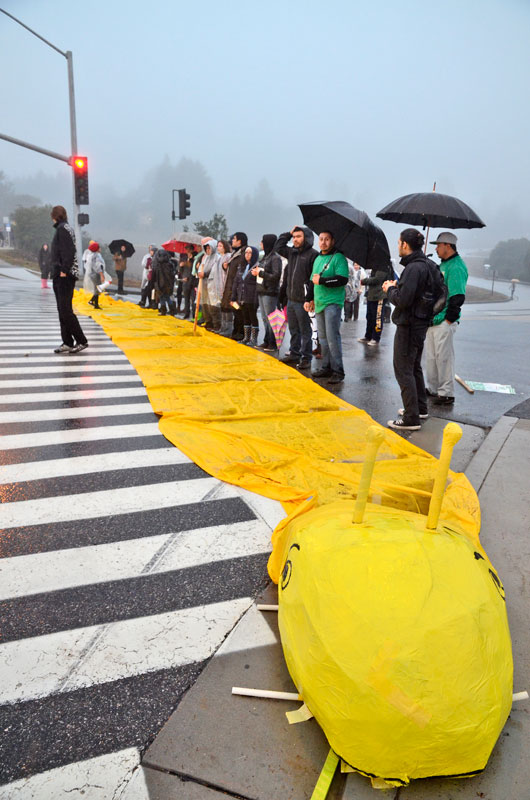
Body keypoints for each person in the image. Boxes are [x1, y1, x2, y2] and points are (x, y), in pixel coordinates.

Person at [383, 228, 432, 431]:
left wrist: (390, 289)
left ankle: (411, 418)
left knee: (403, 369)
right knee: (414, 368)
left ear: (405, 245)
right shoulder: (427, 265)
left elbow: (403, 300)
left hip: (409, 324)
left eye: (399, 243)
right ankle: (419, 408)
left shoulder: (413, 268)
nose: (398, 246)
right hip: (420, 323)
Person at [424, 232, 468, 406]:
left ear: (448, 246)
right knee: (431, 357)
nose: (436, 248)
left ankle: (446, 392)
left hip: (444, 320)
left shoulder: (456, 266)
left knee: (443, 357)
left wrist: (449, 319)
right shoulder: (443, 264)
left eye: (439, 245)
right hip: (434, 318)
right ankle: (433, 388)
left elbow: (458, 296)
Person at [306, 231, 349, 384]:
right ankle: (326, 367)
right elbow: (312, 281)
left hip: (333, 303)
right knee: (322, 338)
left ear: (333, 241)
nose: (323, 242)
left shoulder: (339, 258)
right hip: (319, 303)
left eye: (327, 239)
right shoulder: (318, 258)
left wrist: (323, 280)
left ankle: (338, 371)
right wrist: (308, 299)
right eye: (321, 239)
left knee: (332, 338)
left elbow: (342, 279)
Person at [275, 226, 318, 369]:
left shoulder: (313, 255)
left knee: (305, 331)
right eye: (294, 237)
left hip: (303, 300)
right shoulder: (291, 253)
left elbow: (313, 280)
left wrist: (310, 299)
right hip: (291, 299)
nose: (295, 239)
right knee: (293, 329)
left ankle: (306, 357)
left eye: (298, 236)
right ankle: (294, 353)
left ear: (306, 238)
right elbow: (278, 246)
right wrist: (288, 233)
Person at [50, 205, 88, 354]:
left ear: (54, 216)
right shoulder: (65, 227)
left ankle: (81, 340)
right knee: (62, 310)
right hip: (60, 274)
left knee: (65, 310)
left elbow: (69, 251)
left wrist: (64, 270)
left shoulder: (62, 229)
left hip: (64, 276)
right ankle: (67, 342)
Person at [253, 234, 282, 351]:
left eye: (263, 241)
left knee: (270, 319)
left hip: (270, 292)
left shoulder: (275, 258)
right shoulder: (265, 257)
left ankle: (272, 343)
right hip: (262, 290)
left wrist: (260, 274)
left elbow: (276, 275)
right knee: (265, 318)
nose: (261, 243)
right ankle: (266, 340)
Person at [221, 232, 248, 339]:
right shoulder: (235, 254)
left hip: (238, 288)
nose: (232, 241)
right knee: (234, 310)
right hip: (231, 285)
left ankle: (240, 333)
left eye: (234, 239)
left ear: (239, 241)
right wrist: (225, 267)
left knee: (239, 311)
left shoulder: (243, 253)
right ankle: (235, 331)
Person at [232, 246, 260, 345]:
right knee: (245, 317)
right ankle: (246, 337)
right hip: (242, 296)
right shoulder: (241, 267)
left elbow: (258, 284)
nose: (247, 254)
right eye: (246, 252)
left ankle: (254, 339)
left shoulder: (257, 267)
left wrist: (256, 299)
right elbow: (236, 282)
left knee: (253, 317)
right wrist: (233, 297)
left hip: (252, 297)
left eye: (250, 253)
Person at [358, 262, 391, 346]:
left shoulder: (384, 266)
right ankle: (368, 336)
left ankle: (376, 338)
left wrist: (364, 281)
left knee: (378, 318)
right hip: (372, 295)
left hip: (380, 296)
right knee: (369, 317)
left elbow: (377, 279)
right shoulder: (375, 267)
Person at [200, 239, 223, 330]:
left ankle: (216, 324)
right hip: (204, 285)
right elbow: (201, 269)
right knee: (205, 304)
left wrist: (205, 274)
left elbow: (214, 271)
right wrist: (200, 273)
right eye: (207, 248)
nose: (208, 250)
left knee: (213, 305)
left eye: (209, 248)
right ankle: (208, 322)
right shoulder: (205, 258)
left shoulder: (217, 258)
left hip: (213, 284)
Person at [153, 248, 174, 315]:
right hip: (168, 283)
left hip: (160, 283)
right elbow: (172, 274)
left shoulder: (157, 264)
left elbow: (155, 274)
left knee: (162, 297)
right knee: (167, 297)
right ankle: (172, 310)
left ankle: (163, 311)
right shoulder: (169, 264)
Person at [86, 241, 106, 309]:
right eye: (99, 247)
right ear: (96, 249)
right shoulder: (96, 256)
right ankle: (95, 304)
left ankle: (92, 301)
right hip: (96, 274)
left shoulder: (92, 255)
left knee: (97, 288)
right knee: (97, 289)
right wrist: (101, 275)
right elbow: (98, 266)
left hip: (92, 274)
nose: (100, 248)